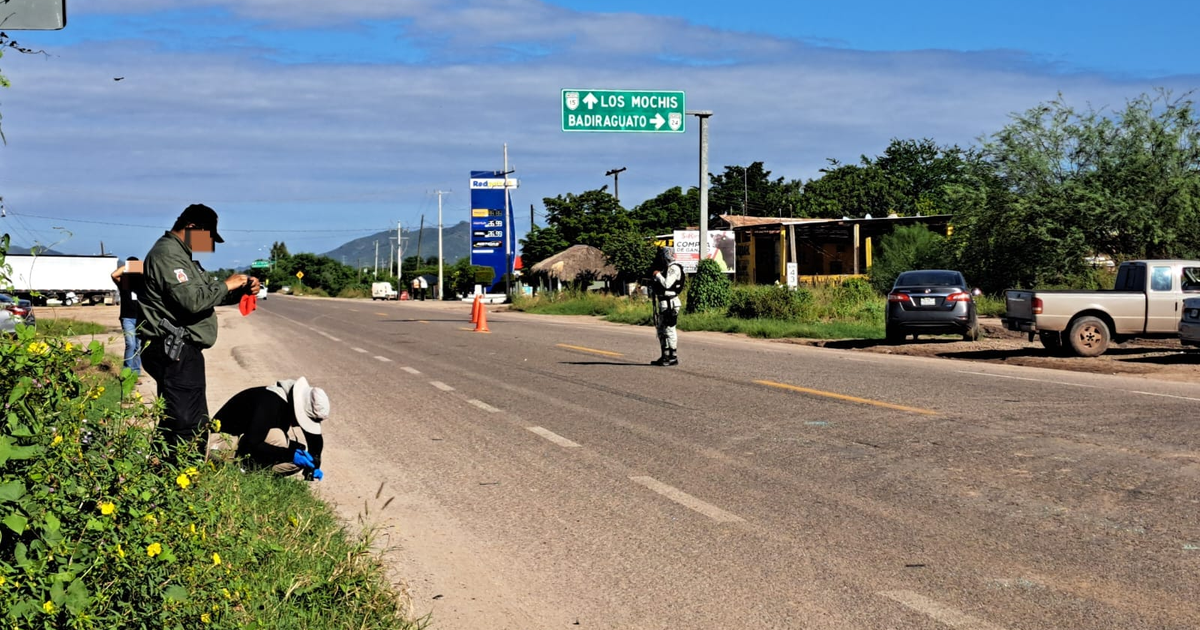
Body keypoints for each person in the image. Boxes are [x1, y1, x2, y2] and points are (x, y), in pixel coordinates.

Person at [139, 203, 261, 452]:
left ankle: (161, 472)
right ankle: (184, 475)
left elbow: (206, 296)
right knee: (188, 422)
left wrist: (240, 290)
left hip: (182, 350)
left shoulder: (183, 257)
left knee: (176, 417)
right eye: (208, 237)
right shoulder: (168, 254)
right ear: (192, 227)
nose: (209, 245)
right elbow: (192, 301)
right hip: (173, 348)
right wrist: (228, 284)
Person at [212, 377, 327, 478]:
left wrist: (314, 463)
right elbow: (251, 444)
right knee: (278, 438)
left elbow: (314, 440)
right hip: (217, 442)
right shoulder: (270, 403)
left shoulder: (287, 403)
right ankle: (245, 471)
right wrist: (290, 454)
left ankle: (256, 476)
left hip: (245, 443)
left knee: (299, 458)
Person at [646, 247, 684, 366]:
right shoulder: (667, 268)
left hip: (670, 303)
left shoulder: (674, 268)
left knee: (670, 329)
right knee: (661, 329)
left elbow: (667, 284)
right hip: (664, 302)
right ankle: (665, 355)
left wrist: (658, 275)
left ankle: (673, 356)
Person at [111, 257, 145, 376]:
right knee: (130, 344)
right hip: (127, 317)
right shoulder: (125, 283)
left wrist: (140, 267)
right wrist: (129, 266)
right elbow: (114, 274)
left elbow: (150, 275)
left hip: (141, 317)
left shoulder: (142, 282)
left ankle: (135, 373)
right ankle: (126, 372)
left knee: (138, 346)